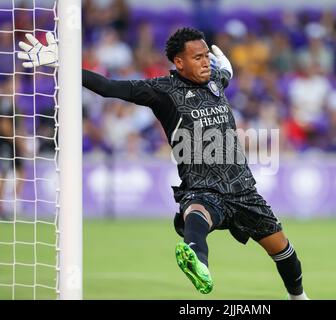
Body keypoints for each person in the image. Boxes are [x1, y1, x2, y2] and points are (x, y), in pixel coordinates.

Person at [18, 28, 309, 299]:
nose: (206, 61)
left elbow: (226, 74)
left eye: (206, 55)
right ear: (179, 63)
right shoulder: (162, 90)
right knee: (196, 211)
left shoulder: (215, 81)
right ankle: (198, 261)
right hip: (204, 186)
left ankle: (298, 296)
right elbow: (108, 87)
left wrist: (226, 67)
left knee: (283, 251)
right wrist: (62, 63)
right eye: (198, 57)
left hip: (243, 189)